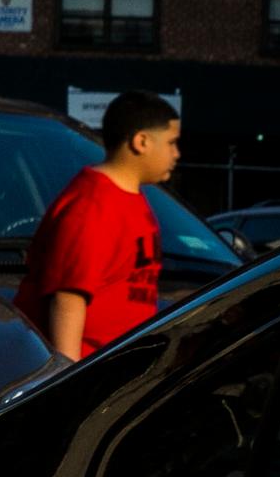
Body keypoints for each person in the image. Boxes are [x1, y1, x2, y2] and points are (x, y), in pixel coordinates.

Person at [16, 92, 181, 360]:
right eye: (172, 143)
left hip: (113, 369)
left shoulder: (132, 198)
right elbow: (68, 300)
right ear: (142, 142)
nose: (176, 154)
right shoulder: (93, 205)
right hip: (88, 373)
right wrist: (70, 380)